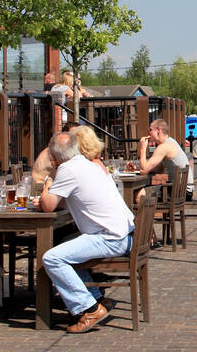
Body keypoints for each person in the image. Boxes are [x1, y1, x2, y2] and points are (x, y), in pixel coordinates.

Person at [38, 132, 135, 333]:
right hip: (125, 234)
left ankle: (89, 308)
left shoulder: (66, 170)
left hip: (110, 238)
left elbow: (48, 206)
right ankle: (97, 298)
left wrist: (48, 182)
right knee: (66, 246)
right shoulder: (90, 165)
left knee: (52, 258)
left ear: (54, 158)